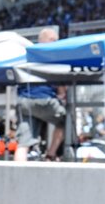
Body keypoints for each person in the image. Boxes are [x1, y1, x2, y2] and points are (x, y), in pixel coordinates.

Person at [16, 26, 67, 161]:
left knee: (23, 143)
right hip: (44, 100)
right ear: (47, 40)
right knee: (66, 121)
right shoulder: (53, 56)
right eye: (53, 39)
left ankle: (16, 176)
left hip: (24, 102)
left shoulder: (25, 54)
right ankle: (50, 155)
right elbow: (62, 87)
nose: (56, 42)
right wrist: (62, 94)